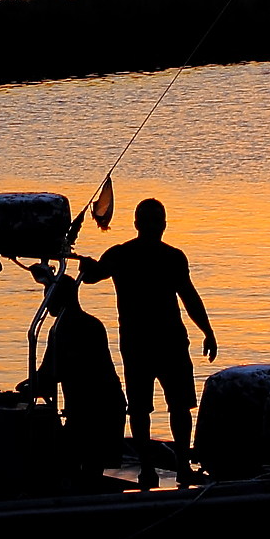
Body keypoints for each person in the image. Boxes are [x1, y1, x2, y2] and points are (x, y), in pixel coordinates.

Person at [78, 197, 217, 488]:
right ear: (142, 224)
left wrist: (208, 332)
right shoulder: (146, 256)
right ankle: (163, 467)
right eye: (153, 220)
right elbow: (92, 276)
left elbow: (190, 299)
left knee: (165, 408)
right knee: (152, 408)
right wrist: (86, 265)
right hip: (154, 344)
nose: (156, 226)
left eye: (158, 221)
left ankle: (164, 468)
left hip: (156, 343)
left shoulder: (127, 255)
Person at [16, 267, 127, 480]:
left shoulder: (64, 328)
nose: (46, 303)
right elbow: (52, 371)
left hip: (95, 408)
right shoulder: (90, 324)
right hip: (103, 404)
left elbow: (52, 373)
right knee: (87, 468)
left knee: (78, 465)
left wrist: (30, 386)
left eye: (48, 296)